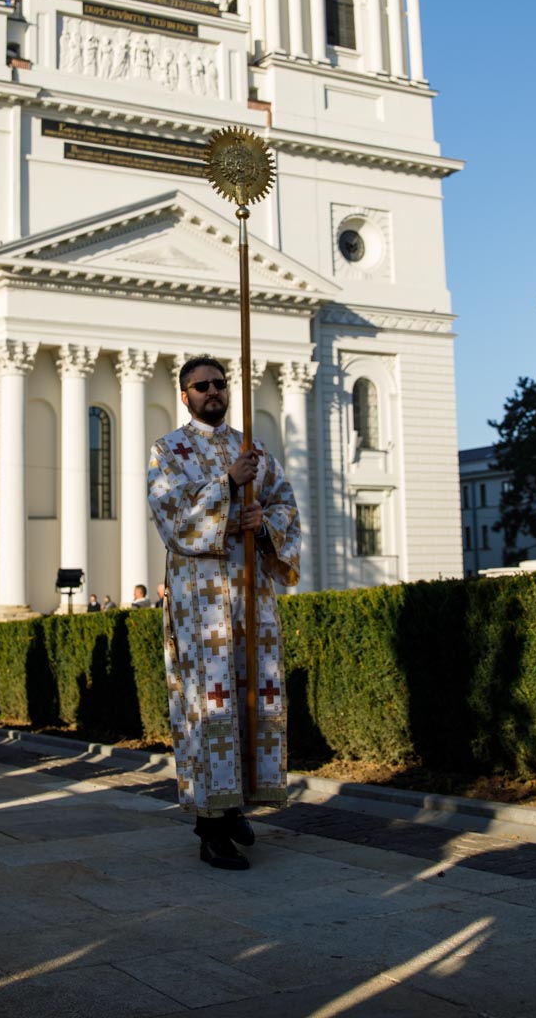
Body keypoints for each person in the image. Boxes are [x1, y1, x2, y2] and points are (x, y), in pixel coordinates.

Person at [146, 356, 301, 871]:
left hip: (251, 596)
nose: (213, 391)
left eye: (219, 383)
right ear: (184, 394)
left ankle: (237, 804)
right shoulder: (168, 451)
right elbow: (173, 521)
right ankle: (209, 827)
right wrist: (229, 487)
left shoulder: (251, 448)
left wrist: (266, 519)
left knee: (252, 696)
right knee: (210, 705)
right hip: (201, 604)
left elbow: (285, 506)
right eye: (202, 385)